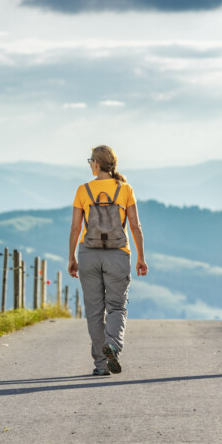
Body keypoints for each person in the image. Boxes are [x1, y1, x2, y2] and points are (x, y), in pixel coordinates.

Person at [68, 145, 148, 376]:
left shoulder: (83, 190)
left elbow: (75, 227)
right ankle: (112, 344)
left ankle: (101, 365)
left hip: (88, 253)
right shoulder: (125, 189)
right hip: (118, 254)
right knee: (116, 307)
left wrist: (71, 257)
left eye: (90, 161)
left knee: (94, 311)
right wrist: (141, 257)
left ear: (96, 163)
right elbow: (135, 226)